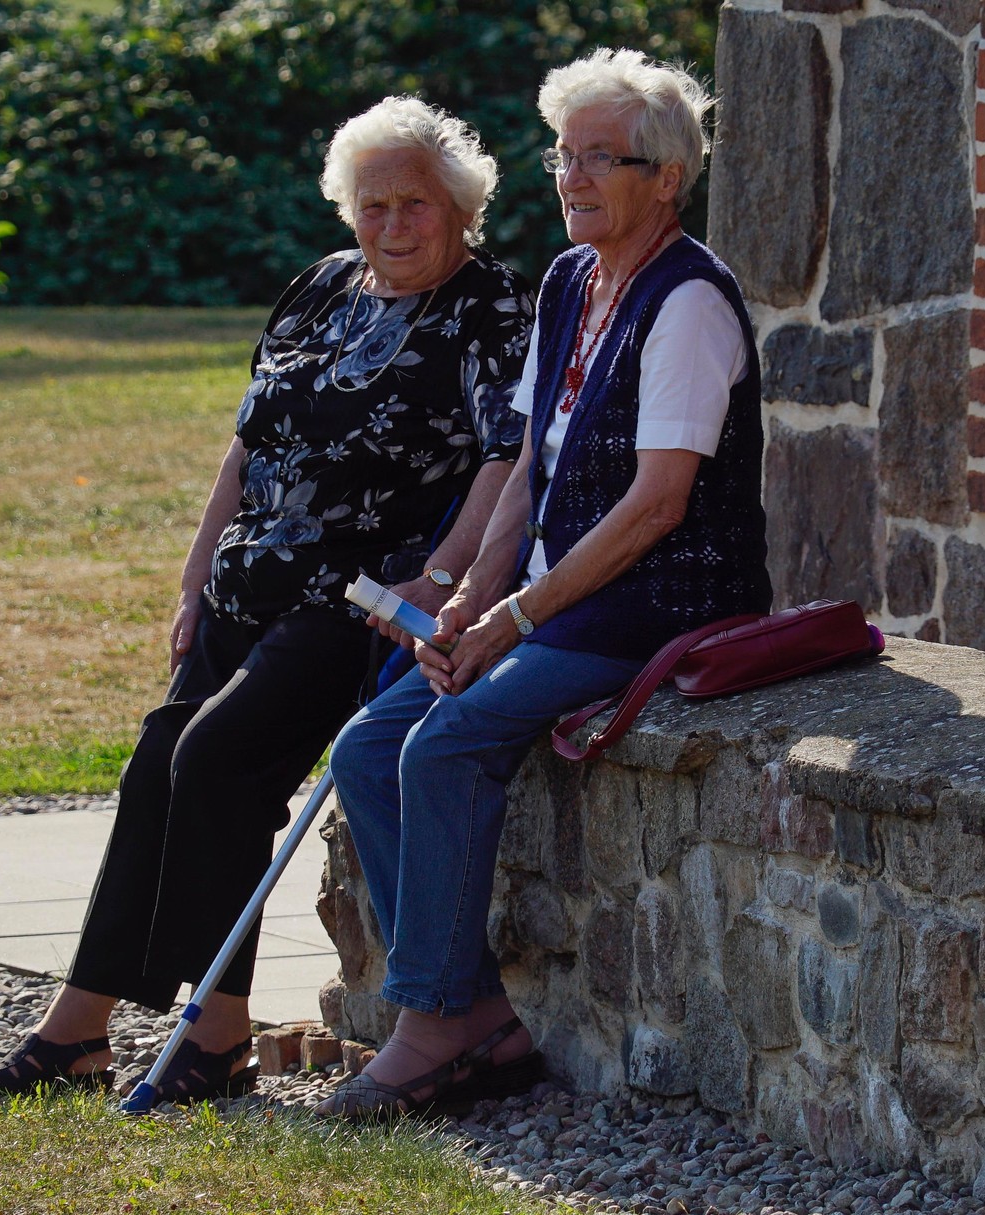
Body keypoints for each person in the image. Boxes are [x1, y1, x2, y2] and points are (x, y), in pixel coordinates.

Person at [0, 96, 534, 1103]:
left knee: (216, 758)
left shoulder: (489, 308)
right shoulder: (317, 290)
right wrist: (193, 575)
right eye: (373, 205)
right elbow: (249, 440)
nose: (393, 225)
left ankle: (216, 1033)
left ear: (460, 209)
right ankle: (79, 1030)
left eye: (415, 205)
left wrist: (438, 576)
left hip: (354, 598)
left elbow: (504, 456)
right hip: (244, 580)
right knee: (156, 767)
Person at [316, 49, 770, 1120]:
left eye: (598, 160)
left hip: (654, 605)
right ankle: (470, 1012)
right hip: (552, 596)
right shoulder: (571, 280)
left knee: (442, 743)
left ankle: (428, 1022)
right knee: (368, 745)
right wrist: (470, 597)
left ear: (665, 178)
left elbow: (656, 506)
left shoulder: (689, 302)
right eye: (562, 156)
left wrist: (515, 613)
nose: (570, 179)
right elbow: (529, 464)